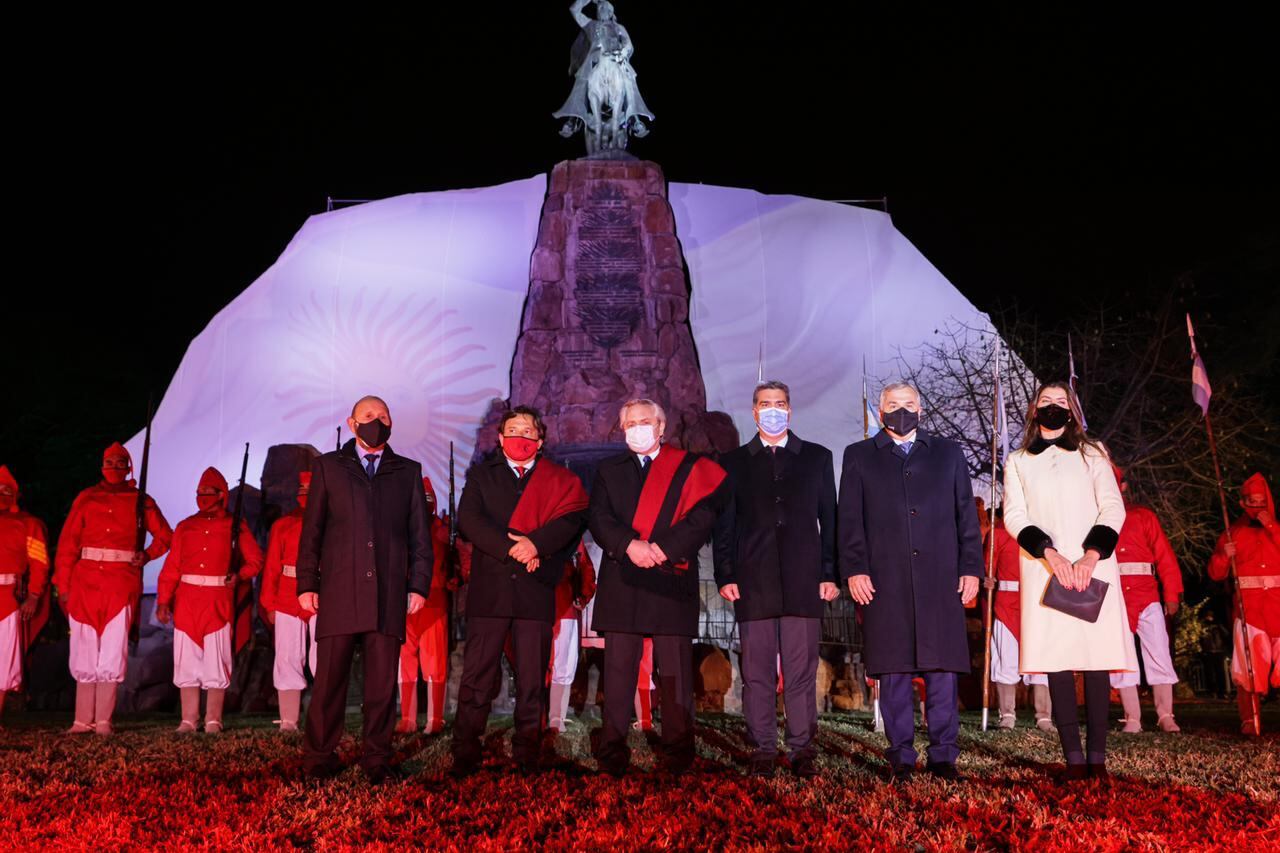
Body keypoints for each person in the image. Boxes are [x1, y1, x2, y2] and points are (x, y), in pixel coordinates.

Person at [838, 382, 982, 783]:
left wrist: (971, 567)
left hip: (941, 581)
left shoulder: (948, 454)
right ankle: (901, 755)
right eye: (893, 405)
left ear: (921, 408)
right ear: (880, 410)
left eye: (909, 404)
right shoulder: (859, 456)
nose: (901, 410)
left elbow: (965, 519)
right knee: (894, 672)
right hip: (885, 581)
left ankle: (943, 756)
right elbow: (849, 520)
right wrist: (854, 568)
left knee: (941, 673)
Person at [588, 398, 729, 777]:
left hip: (671, 577)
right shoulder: (608, 469)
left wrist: (664, 549)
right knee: (617, 674)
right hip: (624, 578)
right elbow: (599, 518)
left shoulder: (687, 468)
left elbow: (703, 518)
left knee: (675, 676)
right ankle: (612, 753)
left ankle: (678, 753)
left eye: (645, 421)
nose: (637, 427)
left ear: (661, 426)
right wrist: (629, 545)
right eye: (630, 422)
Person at [296, 396, 433, 783]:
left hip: (387, 592)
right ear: (351, 423)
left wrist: (418, 584)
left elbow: (420, 538)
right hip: (339, 590)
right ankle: (319, 757)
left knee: (380, 685)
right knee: (329, 682)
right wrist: (307, 582)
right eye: (369, 417)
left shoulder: (407, 471)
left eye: (384, 416)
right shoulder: (328, 467)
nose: (377, 422)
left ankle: (377, 758)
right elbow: (312, 532)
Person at [1002, 381, 1135, 780]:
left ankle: (1097, 759)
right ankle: (1073, 760)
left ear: (1072, 411)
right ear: (1033, 410)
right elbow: (1015, 516)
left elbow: (1112, 506)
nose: (1055, 407)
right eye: (1047, 402)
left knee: (1096, 662)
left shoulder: (1093, 453)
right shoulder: (1018, 461)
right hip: (1047, 569)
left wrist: (1091, 554)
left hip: (1093, 565)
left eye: (1062, 402)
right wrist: (1050, 553)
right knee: (1057, 661)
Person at [452, 406, 589, 776]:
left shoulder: (559, 480)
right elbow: (469, 521)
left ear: (540, 441)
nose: (521, 437)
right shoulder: (482, 475)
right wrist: (514, 547)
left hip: (534, 590)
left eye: (528, 431)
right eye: (513, 430)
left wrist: (537, 545)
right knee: (477, 677)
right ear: (500, 438)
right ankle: (465, 752)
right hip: (490, 592)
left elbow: (573, 520)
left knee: (532, 678)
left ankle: (527, 751)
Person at [713, 380, 838, 778]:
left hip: (804, 581)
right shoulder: (732, 462)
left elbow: (830, 521)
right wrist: (725, 573)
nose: (772, 409)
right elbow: (724, 524)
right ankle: (762, 749)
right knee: (757, 673)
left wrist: (829, 572)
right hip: (753, 581)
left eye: (779, 403)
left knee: (801, 673)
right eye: (764, 404)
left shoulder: (817, 458)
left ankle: (802, 750)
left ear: (790, 410)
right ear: (753, 412)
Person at [54, 442, 172, 735]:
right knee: (83, 648)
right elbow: (68, 545)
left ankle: (104, 720)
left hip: (120, 583)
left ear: (128, 467)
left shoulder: (141, 500)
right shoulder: (87, 498)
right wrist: (64, 586)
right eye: (110, 463)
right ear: (102, 467)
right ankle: (82, 720)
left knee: (111, 649)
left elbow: (165, 536)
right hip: (85, 583)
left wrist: (146, 554)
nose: (115, 469)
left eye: (121, 464)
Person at [155, 467, 264, 733]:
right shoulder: (185, 527)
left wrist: (238, 576)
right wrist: (163, 601)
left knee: (217, 661)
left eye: (209, 492)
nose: (203, 497)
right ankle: (189, 719)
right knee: (187, 661)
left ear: (221, 494)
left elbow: (256, 560)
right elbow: (171, 568)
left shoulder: (236, 526)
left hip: (218, 601)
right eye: (200, 492)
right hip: (188, 602)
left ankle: (213, 719)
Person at [1109, 465, 1184, 732]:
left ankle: (1166, 715)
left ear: (1123, 487)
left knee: (1158, 651)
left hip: (1147, 593)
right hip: (1114, 597)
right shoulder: (1095, 520)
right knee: (1121, 656)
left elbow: (1164, 556)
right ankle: (1132, 717)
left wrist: (1171, 593)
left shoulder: (1143, 516)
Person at [1207, 472, 1280, 736]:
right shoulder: (1232, 532)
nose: (1256, 508)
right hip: (1250, 610)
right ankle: (1249, 719)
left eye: (1261, 502)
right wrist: (1223, 556)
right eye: (1252, 502)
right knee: (1248, 669)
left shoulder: (1277, 529)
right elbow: (1215, 574)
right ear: (1242, 503)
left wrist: (1271, 526)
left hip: (1278, 607)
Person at [976, 497, 1053, 731]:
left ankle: (1044, 716)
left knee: (1040, 662)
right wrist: (986, 580)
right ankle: (1007, 714)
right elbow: (985, 568)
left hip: (1038, 606)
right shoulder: (998, 534)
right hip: (1006, 605)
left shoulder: (1045, 532)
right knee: (1005, 659)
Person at [260, 472, 316, 732]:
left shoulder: (334, 523)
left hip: (321, 595)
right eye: (301, 487)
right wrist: (269, 604)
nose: (304, 492)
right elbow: (272, 566)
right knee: (287, 656)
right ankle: (289, 721)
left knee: (323, 657)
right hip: (286, 596)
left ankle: (324, 719)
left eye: (310, 488)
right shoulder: (282, 525)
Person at [395, 476, 450, 735]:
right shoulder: (401, 529)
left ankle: (434, 719)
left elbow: (455, 567)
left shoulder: (441, 531)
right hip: (406, 603)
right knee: (405, 662)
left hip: (434, 603)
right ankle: (407, 718)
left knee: (434, 663)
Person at [0, 466, 51, 723]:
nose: (1, 494)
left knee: (2, 660)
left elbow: (40, 563)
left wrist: (33, 595)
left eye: (6, 490)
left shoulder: (29, 524)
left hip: (9, 599)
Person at [548, 541, 596, 732]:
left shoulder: (574, 538)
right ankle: (551, 716)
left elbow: (586, 568)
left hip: (566, 608)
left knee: (566, 663)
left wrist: (583, 595)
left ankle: (556, 717)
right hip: (545, 607)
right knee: (552, 663)